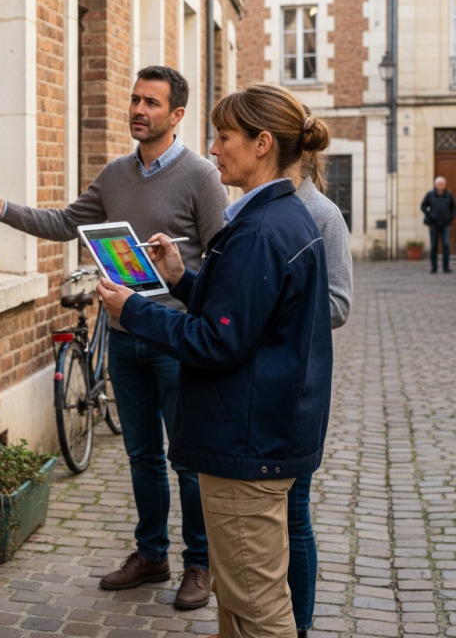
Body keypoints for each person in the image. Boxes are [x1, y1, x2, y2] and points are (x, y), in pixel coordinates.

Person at [0, 66, 229, 608]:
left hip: (178, 342)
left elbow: (221, 260)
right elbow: (66, 223)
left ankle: (200, 565)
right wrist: (3, 210)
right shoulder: (115, 176)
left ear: (176, 115)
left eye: (151, 102)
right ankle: (152, 554)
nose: (138, 110)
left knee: (189, 458)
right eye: (134, 100)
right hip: (126, 337)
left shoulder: (202, 177)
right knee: (142, 454)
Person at [98, 83, 334, 638]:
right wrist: (182, 280)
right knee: (237, 600)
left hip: (245, 446)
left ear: (262, 143)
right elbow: (243, 317)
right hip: (257, 436)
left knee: (256, 607)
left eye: (224, 136)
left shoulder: (261, 231)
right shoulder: (277, 220)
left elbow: (216, 341)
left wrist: (134, 309)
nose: (214, 147)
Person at [286, 139, 353, 638]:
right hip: (254, 385)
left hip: (297, 384)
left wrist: (272, 308)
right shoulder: (247, 207)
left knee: (294, 514)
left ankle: (301, 623)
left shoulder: (322, 214)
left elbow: (338, 304)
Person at [420, 176, 454, 273]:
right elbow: (423, 206)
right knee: (434, 246)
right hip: (433, 224)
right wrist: (429, 214)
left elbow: (453, 208)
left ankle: (446, 268)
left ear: (445, 185)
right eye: (439, 184)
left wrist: (450, 217)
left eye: (442, 184)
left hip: (445, 225)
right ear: (435, 185)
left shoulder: (449, 195)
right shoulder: (430, 195)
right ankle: (434, 268)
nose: (440, 186)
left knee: (446, 246)